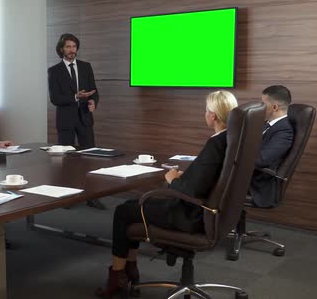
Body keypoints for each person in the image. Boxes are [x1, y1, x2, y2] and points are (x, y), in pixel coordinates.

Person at [96, 91, 238, 298]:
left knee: (124, 211)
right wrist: (185, 176)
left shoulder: (215, 144)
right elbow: (207, 178)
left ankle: (117, 277)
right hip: (212, 213)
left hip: (190, 215)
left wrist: (173, 179)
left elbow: (191, 190)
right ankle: (130, 269)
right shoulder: (230, 140)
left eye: (206, 110)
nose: (205, 113)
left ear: (213, 115)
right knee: (132, 206)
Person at [48, 33, 99, 148]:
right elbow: (54, 98)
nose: (72, 50)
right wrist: (75, 97)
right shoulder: (54, 71)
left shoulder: (86, 67)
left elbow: (94, 90)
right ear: (61, 49)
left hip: (85, 119)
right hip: (65, 121)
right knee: (66, 158)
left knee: (90, 154)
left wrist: (93, 101)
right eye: (68, 47)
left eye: (74, 46)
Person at [248, 85, 294, 208]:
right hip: (248, 176)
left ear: (274, 107)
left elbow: (261, 160)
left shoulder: (284, 131)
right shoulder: (266, 125)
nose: (260, 108)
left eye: (263, 104)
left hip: (258, 183)